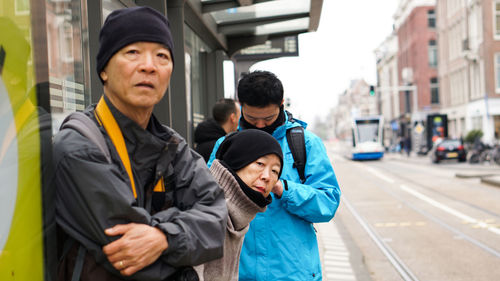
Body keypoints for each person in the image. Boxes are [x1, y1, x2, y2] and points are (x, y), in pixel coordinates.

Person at [53, 6, 227, 281]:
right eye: (132, 52)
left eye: (162, 56)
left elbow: (217, 222)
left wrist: (162, 238)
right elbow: (126, 251)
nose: (149, 65)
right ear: (104, 70)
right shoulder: (79, 146)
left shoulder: (172, 145)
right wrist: (183, 232)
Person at [207, 70, 341, 281]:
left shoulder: (305, 143)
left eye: (268, 118)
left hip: (292, 273)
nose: (260, 125)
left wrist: (284, 189)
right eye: (252, 118)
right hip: (238, 271)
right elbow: (207, 201)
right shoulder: (225, 145)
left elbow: (328, 203)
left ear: (281, 104)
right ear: (241, 105)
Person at [195, 129, 283, 281]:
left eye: (275, 171)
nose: (267, 176)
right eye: (260, 163)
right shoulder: (204, 211)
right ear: (237, 159)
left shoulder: (238, 215)